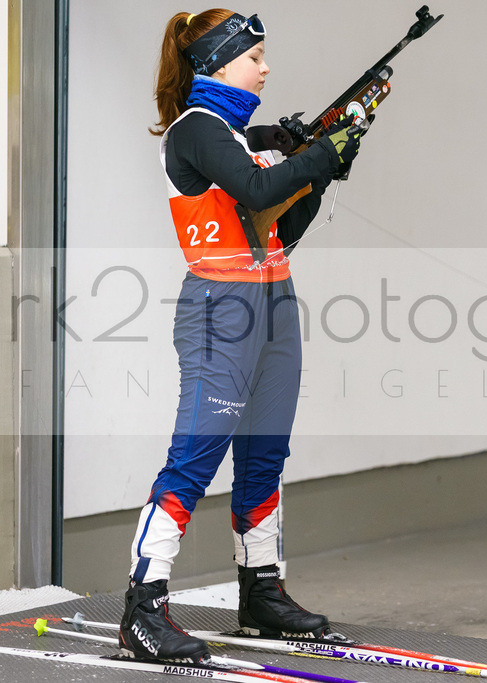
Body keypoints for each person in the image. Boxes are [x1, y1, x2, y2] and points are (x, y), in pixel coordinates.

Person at [119, 9, 362, 662]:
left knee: (264, 454)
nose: (267, 67)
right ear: (221, 63)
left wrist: (323, 168)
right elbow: (257, 186)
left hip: (273, 302)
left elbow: (277, 228)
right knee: (194, 458)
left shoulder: (235, 134)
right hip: (221, 311)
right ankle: (143, 605)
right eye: (257, 57)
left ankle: (260, 590)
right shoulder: (196, 132)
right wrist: (316, 153)